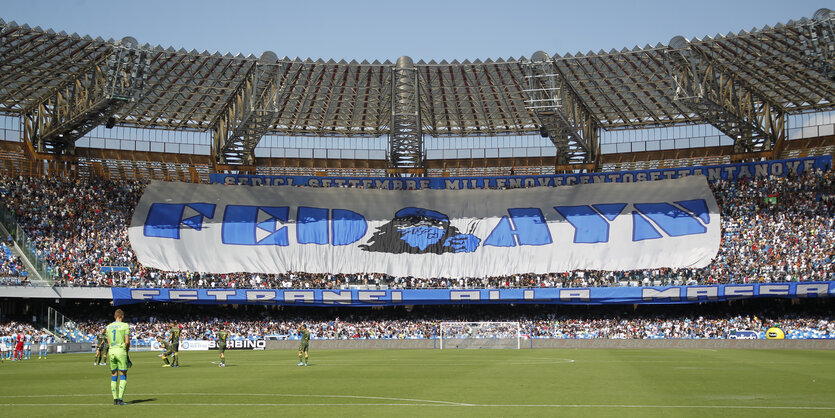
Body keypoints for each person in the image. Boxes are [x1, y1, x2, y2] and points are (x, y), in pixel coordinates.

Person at [105, 309, 130, 406]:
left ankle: (115, 399)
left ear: (114, 316)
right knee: (123, 374)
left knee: (114, 375)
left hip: (111, 351)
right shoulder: (125, 325)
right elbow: (127, 341)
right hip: (121, 351)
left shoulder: (108, 327)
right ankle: (120, 399)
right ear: (122, 316)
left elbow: (108, 342)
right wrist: (126, 352)